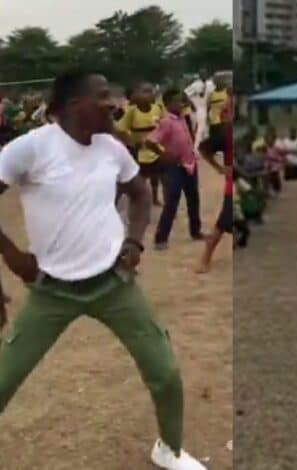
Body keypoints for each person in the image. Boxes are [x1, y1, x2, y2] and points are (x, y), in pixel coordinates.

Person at [0, 70, 207, 469]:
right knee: (4, 381)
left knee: (164, 372)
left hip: (113, 283)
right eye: (102, 96)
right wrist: (11, 255)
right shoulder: (30, 149)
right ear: (75, 105)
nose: (113, 103)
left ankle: (169, 449)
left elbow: (140, 191)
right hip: (51, 290)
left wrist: (134, 241)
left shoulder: (111, 148)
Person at [148, 88, 203, 250]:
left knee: (193, 198)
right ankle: (160, 238)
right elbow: (150, 141)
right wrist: (163, 154)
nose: (181, 104)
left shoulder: (182, 119)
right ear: (168, 103)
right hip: (175, 166)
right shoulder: (166, 121)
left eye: (182, 101)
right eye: (177, 101)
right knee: (172, 201)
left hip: (189, 163)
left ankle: (196, 231)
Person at [196, 88, 234, 275]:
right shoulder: (225, 132)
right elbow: (204, 150)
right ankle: (205, 258)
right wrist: (220, 168)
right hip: (233, 185)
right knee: (222, 224)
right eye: (226, 110)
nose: (226, 113)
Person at [115, 81, 165, 206]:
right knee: (135, 177)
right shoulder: (132, 111)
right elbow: (120, 129)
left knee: (156, 176)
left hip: (155, 149)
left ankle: (154, 198)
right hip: (139, 151)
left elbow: (165, 126)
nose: (148, 95)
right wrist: (131, 142)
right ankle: (123, 199)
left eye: (150, 91)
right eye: (145, 92)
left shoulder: (158, 108)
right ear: (137, 94)